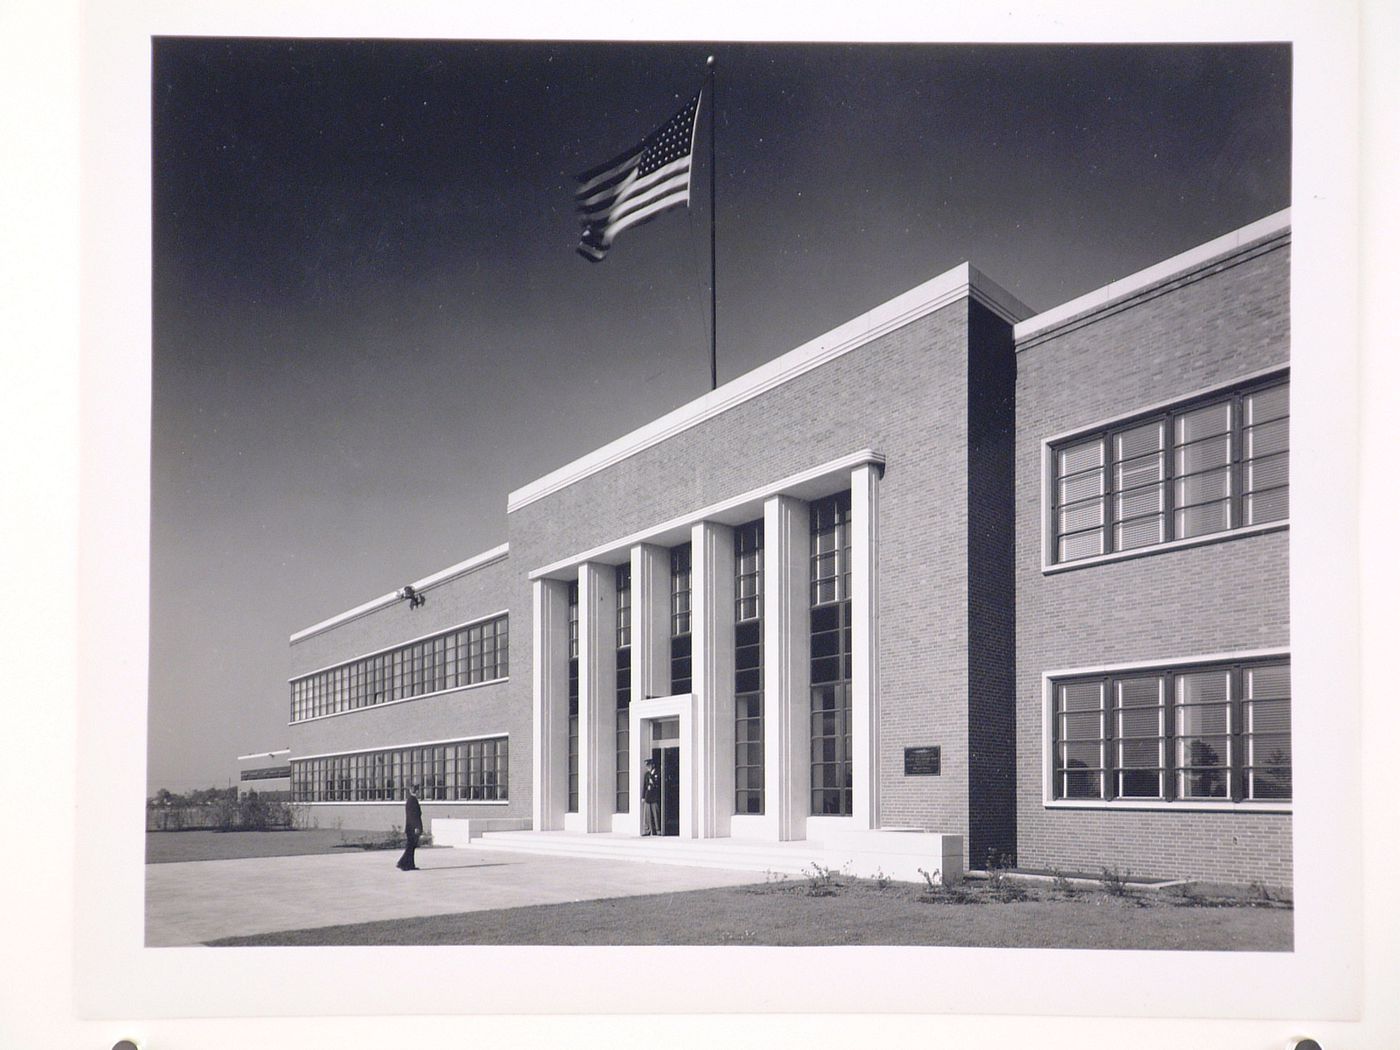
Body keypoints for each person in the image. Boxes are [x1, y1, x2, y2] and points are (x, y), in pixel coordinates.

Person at [396, 783, 423, 871]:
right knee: (410, 847)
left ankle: (410, 864)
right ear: (417, 791)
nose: (420, 793)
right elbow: (412, 816)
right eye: (419, 791)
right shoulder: (412, 801)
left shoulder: (411, 800)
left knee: (412, 847)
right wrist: (416, 827)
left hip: (411, 828)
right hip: (412, 828)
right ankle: (402, 863)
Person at [641, 758, 661, 836]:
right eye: (647, 766)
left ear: (652, 765)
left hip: (654, 796)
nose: (648, 767)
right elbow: (644, 786)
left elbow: (657, 784)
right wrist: (643, 797)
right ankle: (647, 830)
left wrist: (653, 780)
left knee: (655, 814)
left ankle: (657, 829)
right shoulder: (647, 774)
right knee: (647, 815)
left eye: (649, 765)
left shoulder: (657, 773)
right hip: (648, 796)